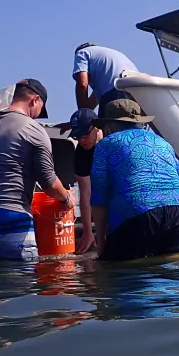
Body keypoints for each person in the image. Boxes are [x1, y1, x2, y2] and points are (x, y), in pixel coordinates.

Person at [0, 78, 74, 262]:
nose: (37, 115)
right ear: (35, 100)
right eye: (40, 109)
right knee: (21, 281)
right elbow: (47, 180)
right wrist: (67, 198)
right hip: (11, 211)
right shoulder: (32, 129)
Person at [90, 98, 179, 261]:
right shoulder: (162, 142)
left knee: (121, 274)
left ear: (108, 125)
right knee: (175, 273)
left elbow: (99, 199)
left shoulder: (105, 144)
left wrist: (101, 244)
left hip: (136, 215)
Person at [55, 108, 103, 253]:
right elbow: (85, 193)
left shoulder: (111, 139)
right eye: (77, 137)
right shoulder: (81, 154)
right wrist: (88, 231)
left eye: (85, 135)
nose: (82, 140)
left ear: (96, 127)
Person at [73, 42, 138, 115]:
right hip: (138, 92)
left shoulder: (82, 52)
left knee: (107, 125)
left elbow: (82, 84)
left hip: (116, 91)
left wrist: (81, 114)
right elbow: (92, 103)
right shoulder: (106, 62)